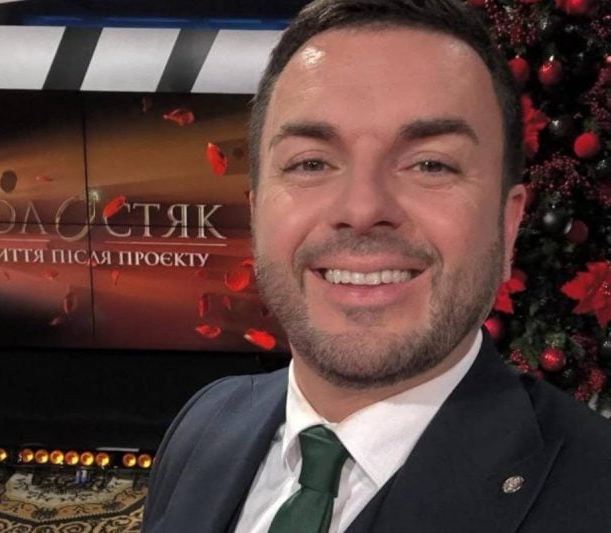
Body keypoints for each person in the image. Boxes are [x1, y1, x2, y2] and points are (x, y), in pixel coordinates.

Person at [142, 0, 611, 531]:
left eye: (430, 164)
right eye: (310, 163)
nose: (363, 209)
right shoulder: (205, 424)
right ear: (256, 212)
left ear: (508, 226)